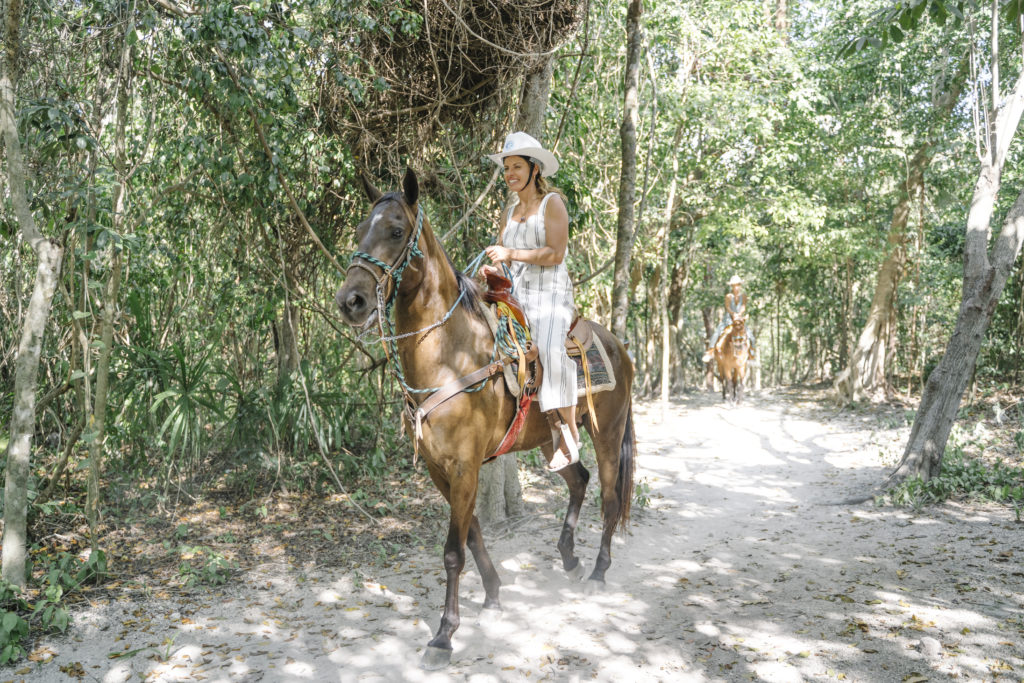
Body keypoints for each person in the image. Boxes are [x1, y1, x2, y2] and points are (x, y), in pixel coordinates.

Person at [481, 131, 579, 472]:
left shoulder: (552, 204)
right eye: (507, 167)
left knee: (549, 349)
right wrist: (494, 268)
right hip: (515, 294)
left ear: (534, 169)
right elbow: (504, 259)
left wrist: (511, 252)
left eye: (517, 166)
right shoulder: (508, 211)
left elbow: (555, 253)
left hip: (550, 293)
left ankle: (566, 435)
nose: (510, 173)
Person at [703, 275, 757, 363]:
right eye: (734, 285)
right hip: (729, 318)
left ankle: (751, 355)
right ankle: (710, 351)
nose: (736, 287)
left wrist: (739, 314)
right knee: (717, 332)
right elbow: (728, 307)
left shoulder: (743, 296)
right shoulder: (728, 296)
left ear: (740, 285)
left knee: (751, 336)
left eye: (737, 285)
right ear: (731, 286)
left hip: (739, 319)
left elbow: (743, 306)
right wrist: (733, 314)